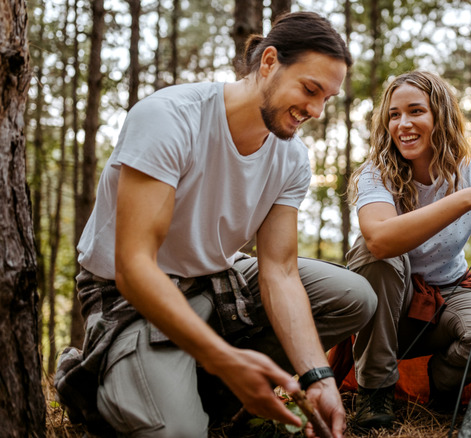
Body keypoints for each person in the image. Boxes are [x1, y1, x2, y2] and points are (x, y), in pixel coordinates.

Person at [53, 11, 376, 438]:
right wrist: (227, 358)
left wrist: (318, 377)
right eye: (310, 89)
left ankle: (206, 383)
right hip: (131, 295)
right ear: (269, 62)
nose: (316, 110)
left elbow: (278, 272)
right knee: (180, 432)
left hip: (216, 281)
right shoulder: (168, 117)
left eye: (326, 99)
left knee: (354, 297)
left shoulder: (291, 156)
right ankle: (111, 379)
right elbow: (133, 268)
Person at [345, 70, 471, 429]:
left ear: (441, 115)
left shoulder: (467, 172)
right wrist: (466, 200)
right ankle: (375, 393)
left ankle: (440, 382)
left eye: (415, 111)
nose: (403, 124)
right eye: (394, 114)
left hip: (449, 293)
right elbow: (380, 239)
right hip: (389, 308)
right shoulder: (376, 174)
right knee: (377, 255)